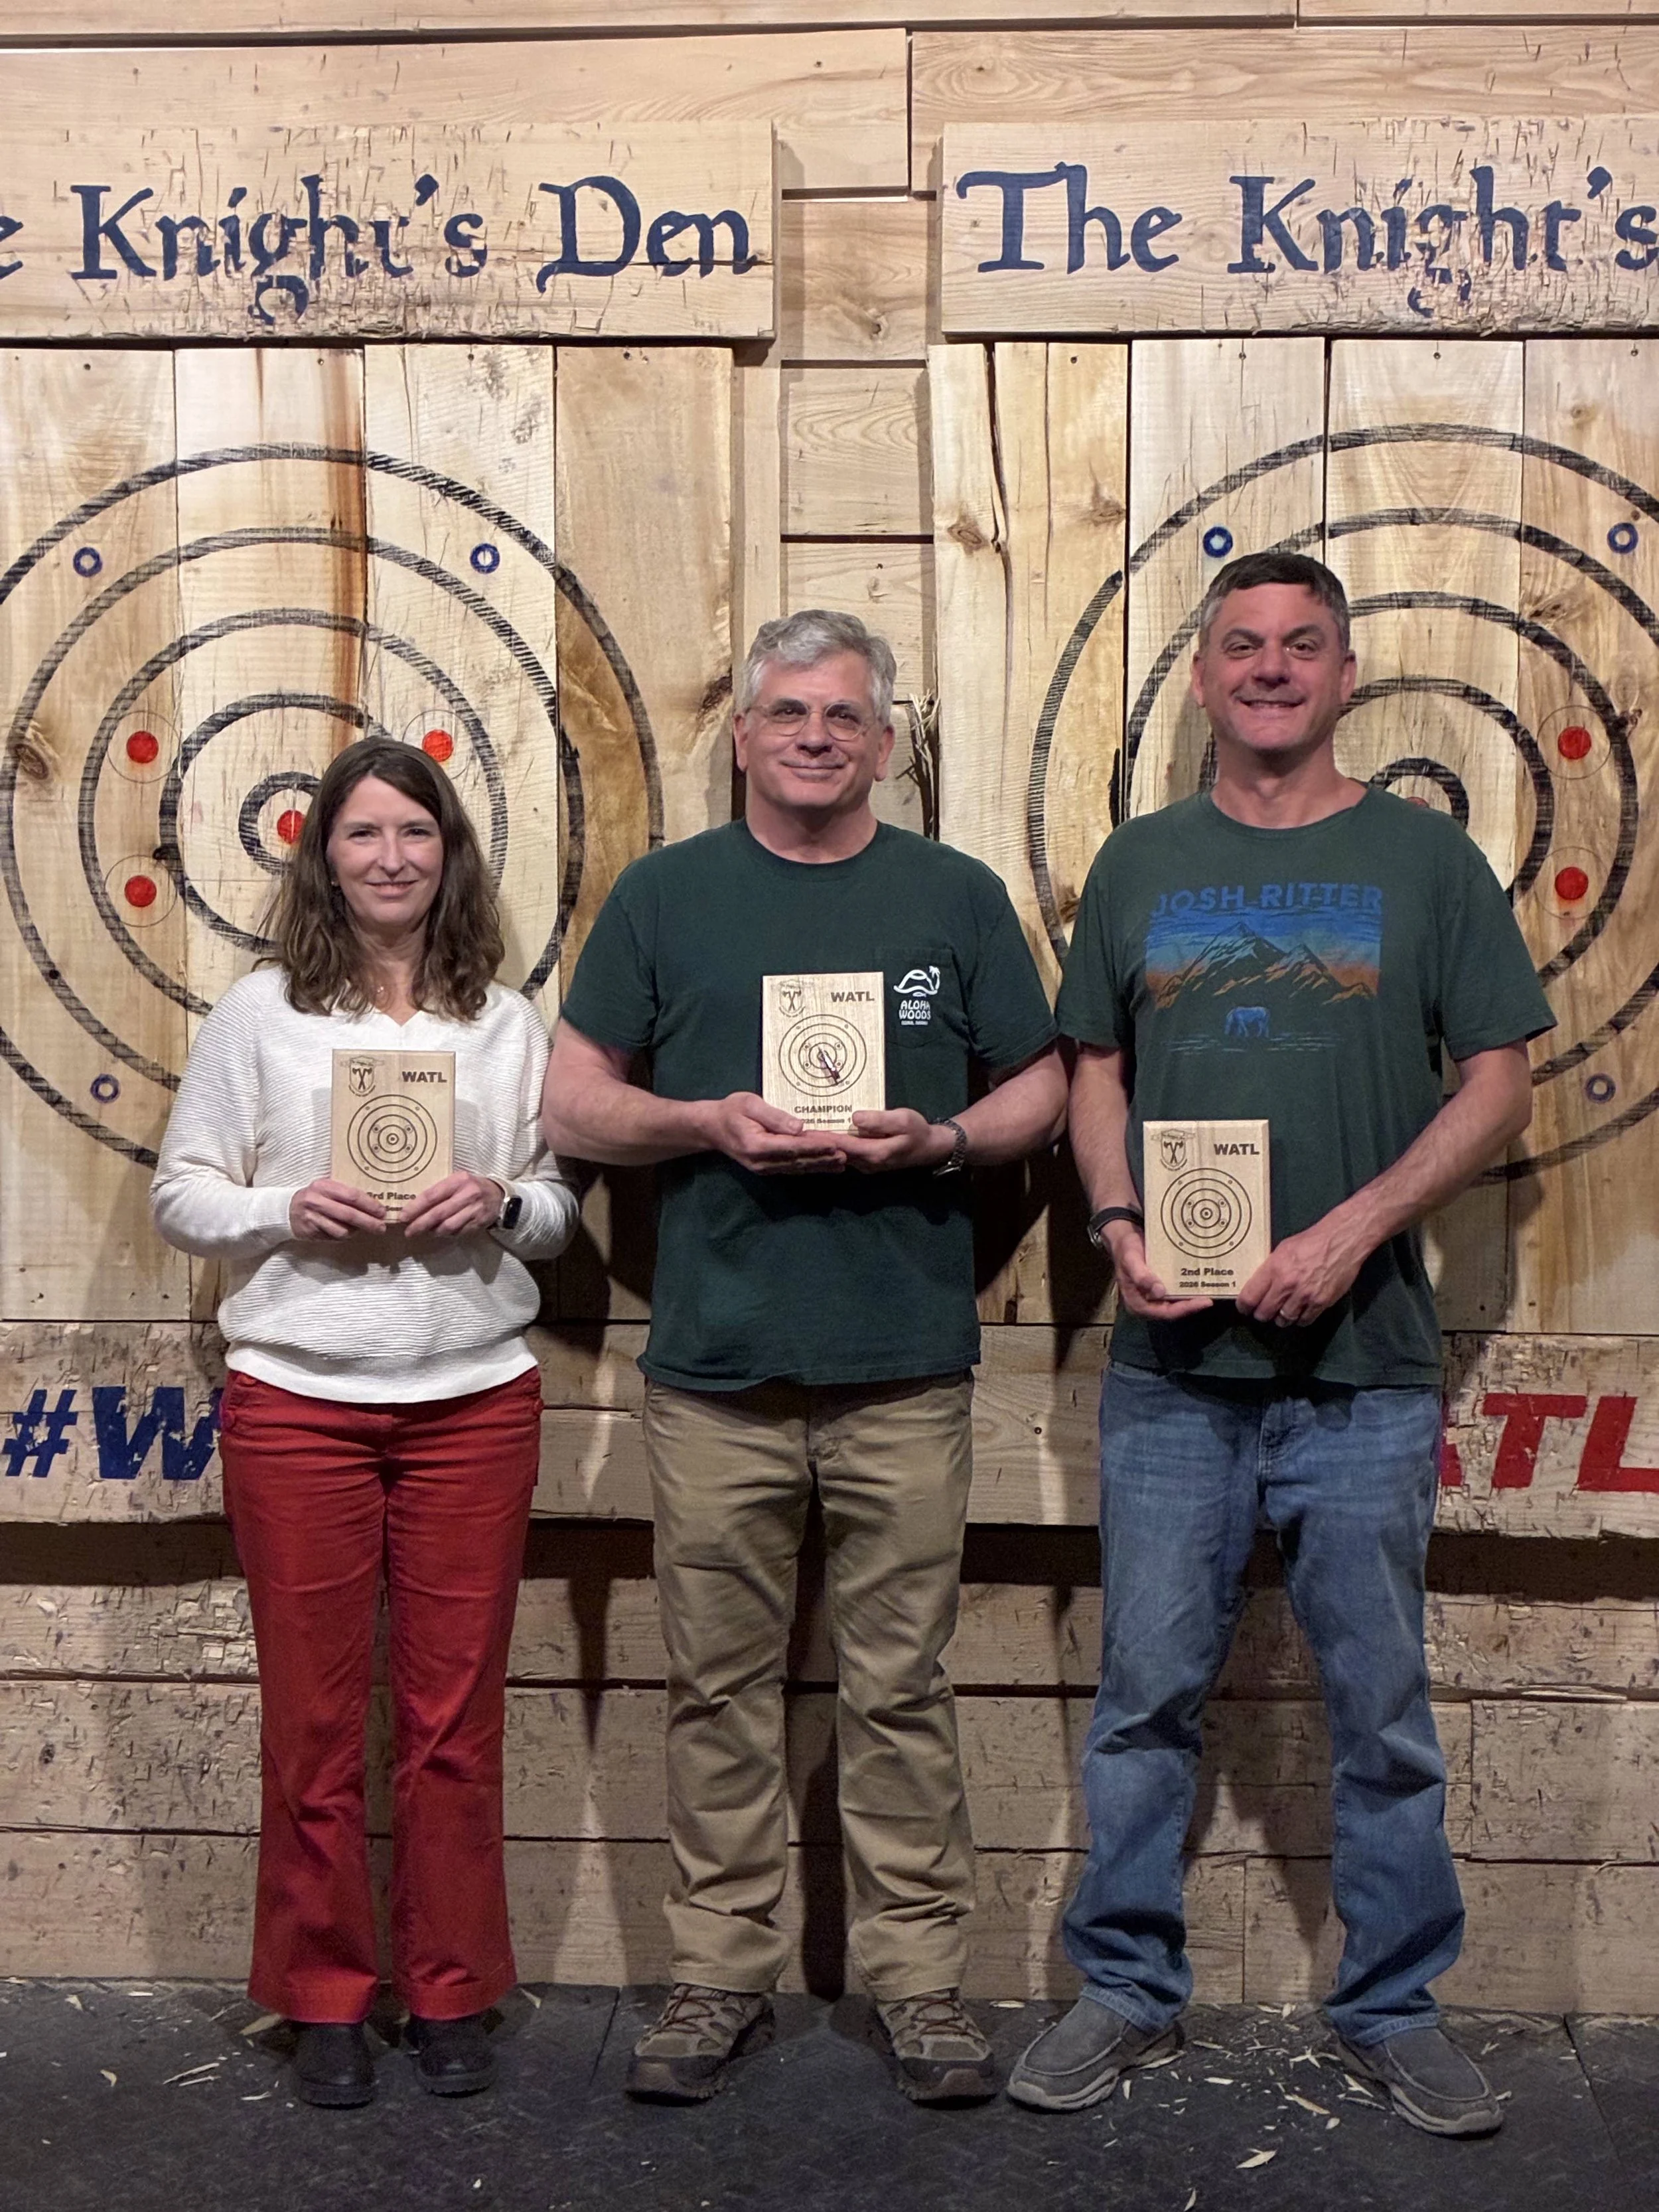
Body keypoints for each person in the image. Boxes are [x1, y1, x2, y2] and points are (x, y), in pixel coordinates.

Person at [1007, 552, 1553, 2135]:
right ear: (1200, 677)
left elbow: (1498, 1079)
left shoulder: (1424, 862)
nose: (1267, 669)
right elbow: (1092, 1065)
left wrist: (1353, 1228)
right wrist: (1114, 1222)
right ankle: (1120, 1985)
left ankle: (1391, 2000)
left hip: (1363, 1370)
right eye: (1238, 646)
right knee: (1141, 1695)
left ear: (1344, 671)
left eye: (1297, 645)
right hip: (1170, 1373)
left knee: (1378, 1704)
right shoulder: (1137, 862)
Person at [542, 610, 1066, 2104]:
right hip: (714, 1366)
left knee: (899, 1684)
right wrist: (703, 1122)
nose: (817, 735)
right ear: (745, 732)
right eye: (788, 712)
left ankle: (919, 1984)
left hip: (904, 1359)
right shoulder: (664, 898)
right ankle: (717, 1976)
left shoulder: (952, 899)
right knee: (716, 1686)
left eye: (844, 714)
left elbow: (1037, 1084)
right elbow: (575, 1106)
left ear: (885, 739)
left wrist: (947, 1137)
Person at [151, 738, 577, 2109]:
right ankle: (324, 1995)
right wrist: (289, 1207)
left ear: (448, 855)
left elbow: (558, 1202)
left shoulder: (504, 1020)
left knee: (453, 1721)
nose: (391, 856)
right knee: (316, 1718)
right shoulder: (261, 1014)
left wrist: (502, 1205)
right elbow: (184, 1195)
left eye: (416, 833)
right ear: (321, 856)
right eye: (362, 834)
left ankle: (452, 1986)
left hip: (470, 1398)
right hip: (299, 1403)